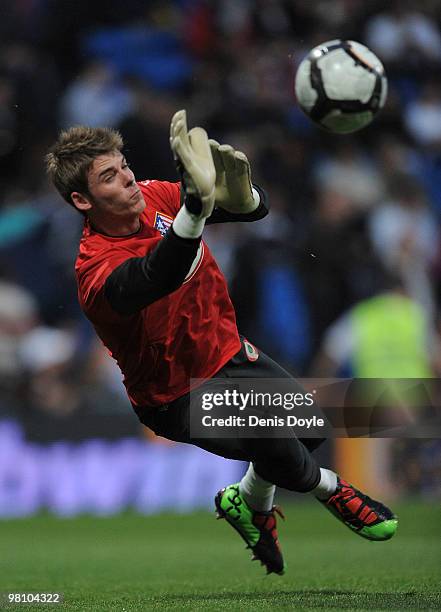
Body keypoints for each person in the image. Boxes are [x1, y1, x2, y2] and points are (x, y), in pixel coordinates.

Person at [45, 110, 397, 575]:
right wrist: (195, 208)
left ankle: (246, 503)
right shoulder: (95, 271)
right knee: (277, 443)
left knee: (309, 432)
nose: (128, 178)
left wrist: (243, 194)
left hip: (229, 351)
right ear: (82, 200)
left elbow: (252, 209)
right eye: (109, 177)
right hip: (176, 394)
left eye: (124, 164)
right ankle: (333, 491)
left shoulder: (154, 195)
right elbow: (160, 272)